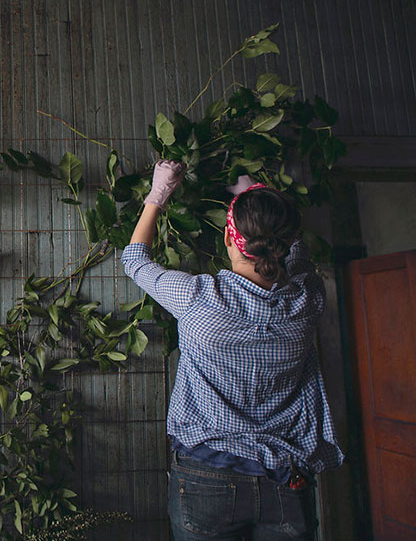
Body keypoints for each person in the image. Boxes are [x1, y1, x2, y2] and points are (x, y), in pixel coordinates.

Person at [121, 162, 343, 540]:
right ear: (285, 242)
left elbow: (135, 260)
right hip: (285, 478)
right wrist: (260, 197)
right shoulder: (308, 299)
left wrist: (158, 195)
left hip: (206, 475)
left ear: (228, 236)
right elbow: (300, 256)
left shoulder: (197, 298)